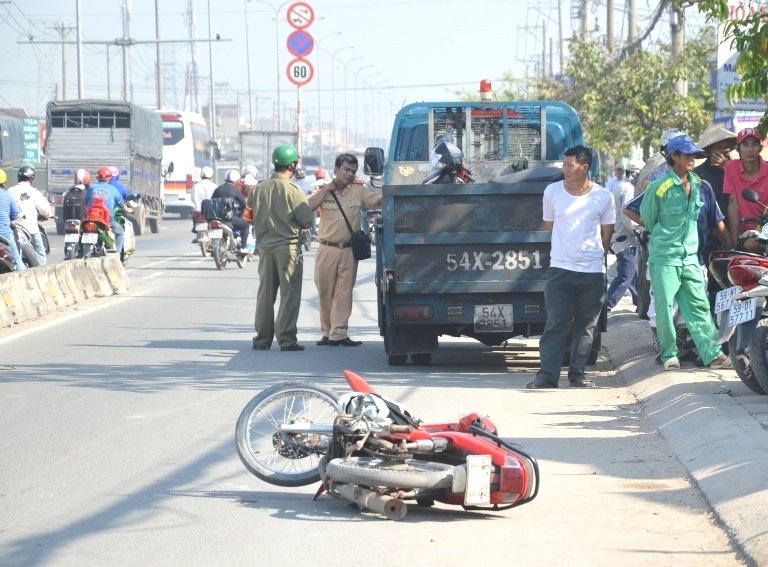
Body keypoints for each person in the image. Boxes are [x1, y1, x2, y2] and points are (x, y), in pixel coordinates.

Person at [639, 134, 732, 371]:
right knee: (665, 308)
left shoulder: (701, 184)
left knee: (699, 306)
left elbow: (712, 219)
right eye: (687, 154)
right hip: (665, 257)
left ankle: (713, 354)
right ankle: (669, 355)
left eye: (694, 155)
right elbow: (649, 219)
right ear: (675, 157)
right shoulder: (660, 187)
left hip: (690, 257)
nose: (692, 159)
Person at [527, 145, 615, 389]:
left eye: (570, 165)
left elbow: (607, 233)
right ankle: (547, 375)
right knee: (555, 322)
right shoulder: (552, 192)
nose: (565, 169)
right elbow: (550, 226)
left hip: (592, 272)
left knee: (586, 326)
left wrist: (595, 254)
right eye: (564, 165)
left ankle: (578, 374)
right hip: (560, 269)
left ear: (584, 168)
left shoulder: (603, 196)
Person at [308, 153, 383, 347]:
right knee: (325, 291)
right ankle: (327, 331)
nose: (350, 174)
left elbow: (377, 201)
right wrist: (325, 189)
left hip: (349, 250)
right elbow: (310, 206)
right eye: (346, 170)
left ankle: (339, 332)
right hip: (327, 248)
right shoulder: (322, 189)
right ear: (336, 170)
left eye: (353, 171)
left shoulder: (359, 189)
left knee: (344, 292)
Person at [245, 144, 313, 351]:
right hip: (288, 250)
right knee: (289, 294)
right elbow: (307, 221)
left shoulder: (259, 188)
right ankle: (286, 339)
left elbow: (248, 217)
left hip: (265, 249)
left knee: (265, 295)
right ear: (292, 165)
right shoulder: (294, 190)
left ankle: (262, 340)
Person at [724, 128, 768, 253]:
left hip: (764, 230)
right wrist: (733, 243)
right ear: (738, 149)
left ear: (760, 148)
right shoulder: (731, 167)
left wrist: (760, 232)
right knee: (748, 245)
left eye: (754, 144)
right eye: (745, 144)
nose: (750, 149)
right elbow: (733, 203)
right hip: (745, 235)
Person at [605, 166, 639, 311]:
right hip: (624, 238)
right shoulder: (628, 189)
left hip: (619, 236)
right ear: (633, 173)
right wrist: (639, 231)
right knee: (626, 273)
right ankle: (606, 306)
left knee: (633, 273)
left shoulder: (621, 186)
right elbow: (628, 217)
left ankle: (640, 302)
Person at [7, 165, 52, 266]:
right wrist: (48, 215)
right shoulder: (33, 191)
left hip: (14, 228)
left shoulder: (10, 191)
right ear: (32, 178)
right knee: (40, 253)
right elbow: (46, 210)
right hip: (30, 229)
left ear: (18, 177)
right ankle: (42, 272)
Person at [695, 123, 737, 220]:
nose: (723, 150)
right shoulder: (698, 172)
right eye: (718, 147)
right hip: (710, 224)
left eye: (726, 146)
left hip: (735, 221)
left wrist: (726, 168)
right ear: (709, 151)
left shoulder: (738, 168)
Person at [85, 166, 130, 254]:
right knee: (120, 232)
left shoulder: (91, 188)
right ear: (109, 177)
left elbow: (86, 201)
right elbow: (121, 203)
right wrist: (127, 209)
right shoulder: (113, 189)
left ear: (97, 177)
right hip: (107, 220)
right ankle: (117, 255)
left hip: (91, 218)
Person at [211, 169, 250, 251]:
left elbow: (212, 201)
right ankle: (243, 247)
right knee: (246, 224)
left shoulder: (218, 189)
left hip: (217, 217)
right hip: (230, 218)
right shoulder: (235, 191)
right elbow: (243, 204)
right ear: (236, 181)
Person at [0, 169, 25, 271]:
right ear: (4, 182)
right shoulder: (8, 196)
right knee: (17, 259)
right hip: (5, 234)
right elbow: (16, 213)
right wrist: (21, 215)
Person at [190, 165, 217, 241]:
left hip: (198, 212)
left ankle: (197, 233)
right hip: (211, 213)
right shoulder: (214, 186)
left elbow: (192, 199)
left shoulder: (195, 186)